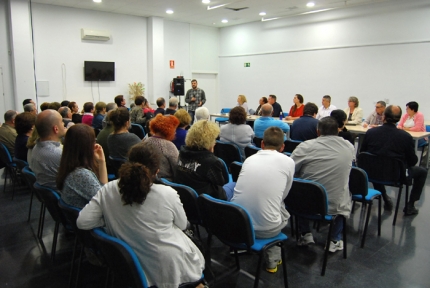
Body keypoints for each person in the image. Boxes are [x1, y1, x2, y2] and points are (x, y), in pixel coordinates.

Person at [77, 142, 205, 288]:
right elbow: (182, 225)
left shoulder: (108, 189)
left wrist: (109, 218)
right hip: (169, 268)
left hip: (131, 267)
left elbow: (83, 221)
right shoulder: (168, 194)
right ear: (157, 171)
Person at [231, 127, 294, 273]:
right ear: (283, 147)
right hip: (267, 230)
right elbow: (284, 194)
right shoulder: (288, 162)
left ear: (262, 144)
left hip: (238, 224)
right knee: (281, 208)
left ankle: (243, 244)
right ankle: (272, 259)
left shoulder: (249, 159)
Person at [291, 117, 354, 252]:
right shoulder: (349, 147)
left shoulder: (305, 146)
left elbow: (290, 168)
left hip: (304, 204)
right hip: (333, 204)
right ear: (338, 131)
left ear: (318, 132)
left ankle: (305, 233)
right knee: (345, 191)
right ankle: (334, 240)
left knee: (300, 185)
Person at [361, 105, 427, 215]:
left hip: (371, 173)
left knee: (375, 164)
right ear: (399, 118)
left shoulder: (371, 133)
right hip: (397, 174)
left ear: (384, 117)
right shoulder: (405, 137)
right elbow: (412, 161)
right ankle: (410, 206)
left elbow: (362, 153)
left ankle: (386, 199)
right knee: (422, 172)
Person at [174, 120, 235, 200]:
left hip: (186, 196)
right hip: (206, 199)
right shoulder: (212, 161)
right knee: (234, 184)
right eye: (213, 139)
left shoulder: (182, 152)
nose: (215, 142)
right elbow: (221, 183)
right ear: (208, 141)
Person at [56, 124, 107, 209]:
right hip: (92, 219)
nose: (95, 143)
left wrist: (101, 162)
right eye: (93, 140)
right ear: (86, 145)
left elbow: (103, 189)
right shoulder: (81, 175)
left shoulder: (69, 165)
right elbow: (105, 200)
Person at [31, 110, 66, 190]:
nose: (64, 124)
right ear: (56, 129)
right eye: (61, 121)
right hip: (64, 194)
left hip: (51, 195)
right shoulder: (59, 154)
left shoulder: (36, 147)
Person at [144, 114, 180, 181]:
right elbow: (177, 169)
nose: (175, 132)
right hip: (166, 182)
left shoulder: (145, 141)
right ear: (168, 130)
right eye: (174, 129)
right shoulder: (169, 146)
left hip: (147, 179)